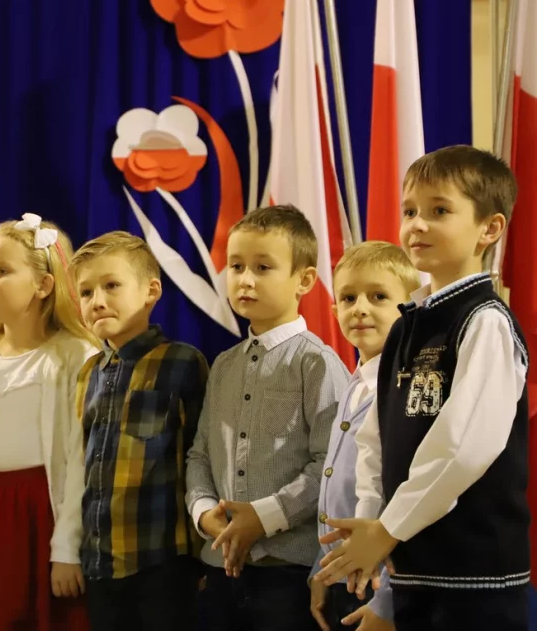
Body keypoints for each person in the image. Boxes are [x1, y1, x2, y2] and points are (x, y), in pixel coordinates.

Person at [316, 146, 529, 631]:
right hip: (411, 568)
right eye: (410, 211)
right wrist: (369, 525)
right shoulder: (407, 325)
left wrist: (387, 529)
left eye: (439, 211)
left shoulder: (485, 321)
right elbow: (376, 441)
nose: (418, 224)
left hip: (475, 578)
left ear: (489, 229)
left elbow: (463, 447)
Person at [186, 205, 349, 631]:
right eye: (236, 266)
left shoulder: (318, 363)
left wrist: (264, 516)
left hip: (288, 575)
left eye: (263, 267)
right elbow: (200, 454)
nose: (245, 279)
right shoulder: (222, 364)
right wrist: (206, 513)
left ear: (305, 280)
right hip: (222, 565)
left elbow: (330, 465)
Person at [0, 213, 97, 630]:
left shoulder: (74, 357)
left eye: (3, 271)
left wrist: (67, 549)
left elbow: (81, 458)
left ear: (43, 285)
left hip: (45, 514)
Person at [71, 231, 209, 630]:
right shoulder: (88, 374)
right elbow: (87, 465)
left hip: (161, 561)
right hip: (101, 562)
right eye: (86, 292)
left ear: (150, 291)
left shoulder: (182, 362)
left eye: (111, 285)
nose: (97, 300)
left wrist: (199, 555)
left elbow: (200, 457)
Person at [309, 242, 418, 631]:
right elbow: (333, 489)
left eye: (378, 296)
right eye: (349, 297)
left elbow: (406, 499)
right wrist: (321, 574)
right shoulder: (353, 383)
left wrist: (387, 601)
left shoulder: (405, 392)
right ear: (334, 309)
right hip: (344, 577)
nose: (360, 308)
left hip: (383, 583)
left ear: (409, 306)